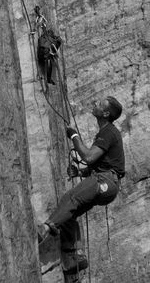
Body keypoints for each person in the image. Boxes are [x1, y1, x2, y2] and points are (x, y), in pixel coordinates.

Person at [38, 96, 125, 271]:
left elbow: (89, 156)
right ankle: (74, 257)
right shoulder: (106, 132)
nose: (94, 103)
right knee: (69, 210)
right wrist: (80, 172)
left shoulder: (109, 132)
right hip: (107, 182)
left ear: (106, 113)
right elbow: (102, 162)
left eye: (99, 104)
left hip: (106, 181)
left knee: (72, 198)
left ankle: (46, 228)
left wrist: (74, 136)